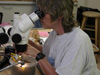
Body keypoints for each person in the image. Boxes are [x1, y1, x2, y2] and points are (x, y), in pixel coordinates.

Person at [23, 0, 99, 75]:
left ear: (60, 14)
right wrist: (27, 43)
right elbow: (46, 50)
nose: (40, 17)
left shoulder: (78, 41)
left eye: (44, 12)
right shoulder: (56, 32)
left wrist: (37, 55)